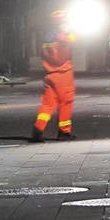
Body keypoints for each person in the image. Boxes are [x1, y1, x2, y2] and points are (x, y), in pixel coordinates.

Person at [30, 10, 76, 142]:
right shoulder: (62, 36)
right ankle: (64, 132)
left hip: (49, 74)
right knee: (65, 102)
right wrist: (70, 31)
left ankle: (38, 129)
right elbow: (72, 41)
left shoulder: (46, 37)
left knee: (48, 104)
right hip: (63, 74)